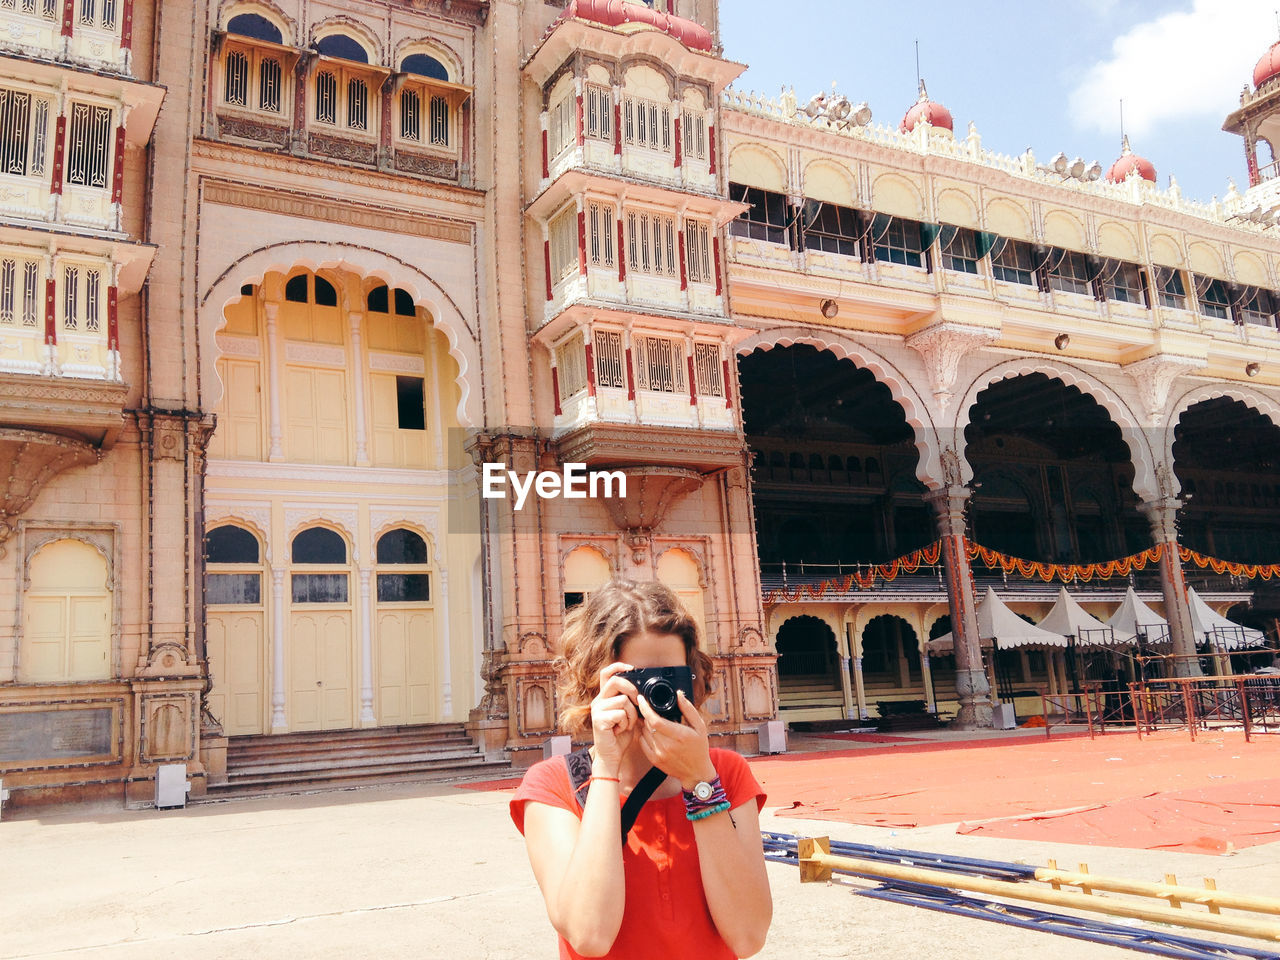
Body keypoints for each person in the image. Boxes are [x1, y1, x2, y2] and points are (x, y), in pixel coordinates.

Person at [510, 579, 772, 959]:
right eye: (637, 681)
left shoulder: (724, 774)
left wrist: (700, 782)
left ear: (693, 675)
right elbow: (590, 935)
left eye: (670, 678)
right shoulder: (554, 786)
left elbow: (748, 937)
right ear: (595, 682)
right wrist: (606, 768)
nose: (656, 693)